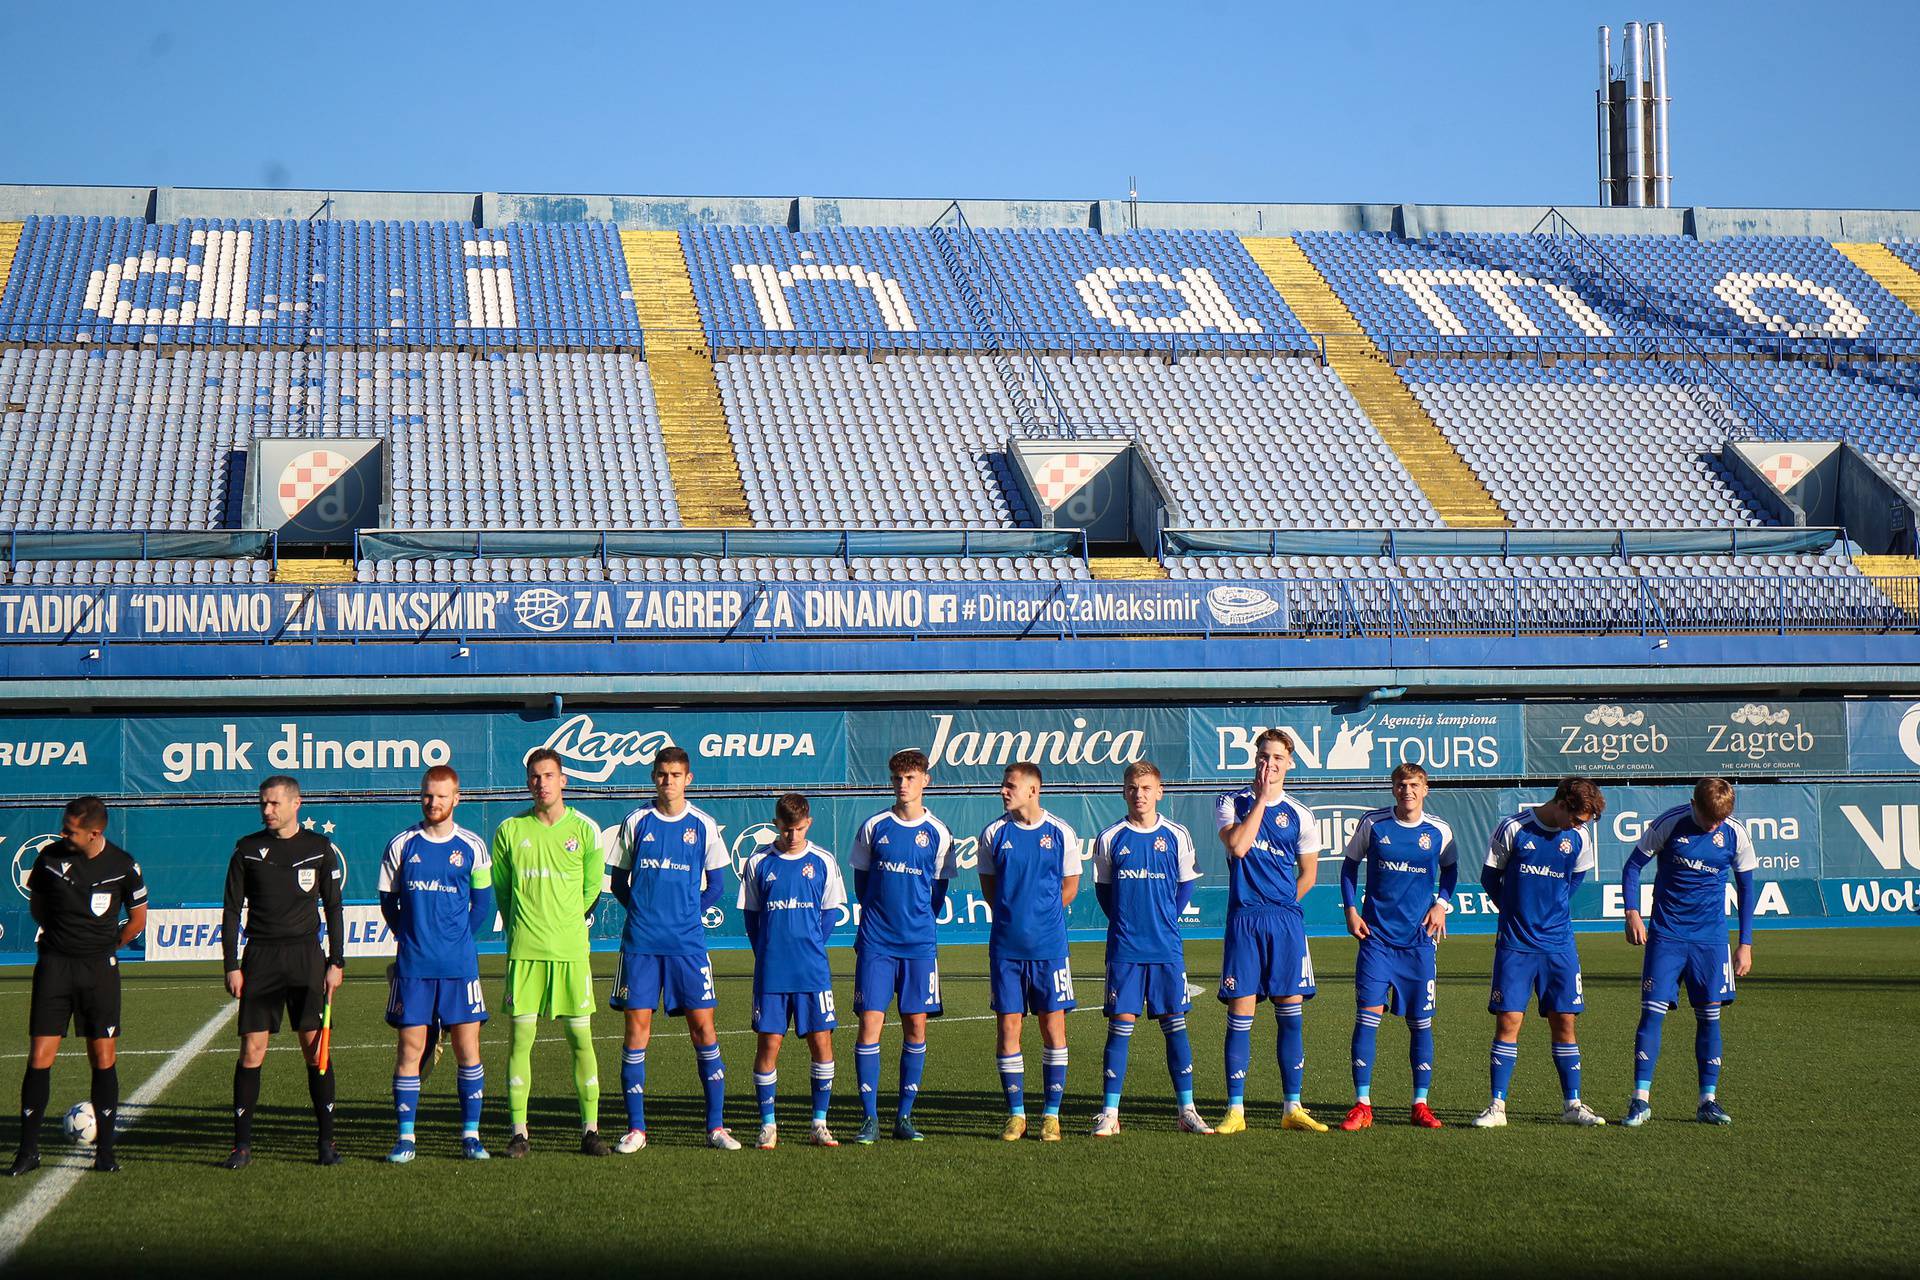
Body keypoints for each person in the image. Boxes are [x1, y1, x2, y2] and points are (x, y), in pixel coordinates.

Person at [604, 746, 740, 1152]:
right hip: (641, 946)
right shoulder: (636, 821)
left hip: (687, 947)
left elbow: (716, 885)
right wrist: (644, 912)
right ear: (653, 777)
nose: (669, 781)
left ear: (688, 779)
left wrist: (687, 915)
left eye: (676, 774)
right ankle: (637, 1129)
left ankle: (716, 1127)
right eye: (662, 774)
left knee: (704, 1029)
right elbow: (617, 884)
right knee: (636, 1032)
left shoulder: (703, 825)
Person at [8, 797, 146, 1176]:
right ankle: (28, 1150)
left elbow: (137, 919)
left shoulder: (123, 866)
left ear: (94, 833)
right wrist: (61, 938)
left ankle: (104, 1152)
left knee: (102, 1058)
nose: (64, 834)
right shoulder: (49, 858)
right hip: (54, 968)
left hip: (99, 972)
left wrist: (105, 946)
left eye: (71, 830)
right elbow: (37, 905)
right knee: (40, 1057)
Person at [221, 775, 345, 1169]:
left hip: (306, 959)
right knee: (252, 1050)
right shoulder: (247, 849)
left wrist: (336, 961)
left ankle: (326, 1143)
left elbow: (334, 908)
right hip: (261, 959)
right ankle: (241, 1145)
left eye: (274, 803)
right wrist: (231, 964)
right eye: (263, 803)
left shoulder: (318, 848)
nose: (266, 810)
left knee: (315, 1052)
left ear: (296, 804)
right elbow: (230, 910)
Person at [491, 748, 609, 1157]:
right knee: (520, 1041)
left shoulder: (587, 830)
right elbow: (503, 893)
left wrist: (564, 924)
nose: (541, 783)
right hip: (525, 953)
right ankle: (519, 1132)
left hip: (571, 953)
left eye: (548, 775)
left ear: (563, 780)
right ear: (528, 783)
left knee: (581, 1041)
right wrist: (523, 927)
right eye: (534, 777)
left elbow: (591, 889)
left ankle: (590, 1130)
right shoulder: (509, 830)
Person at [1620, 777, 1757, 1127]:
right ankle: (1640, 1101)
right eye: (1708, 819)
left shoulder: (1735, 834)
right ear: (1693, 804)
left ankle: (1707, 1101)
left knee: (1710, 1018)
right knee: (1652, 1015)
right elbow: (1633, 865)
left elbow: (1746, 889)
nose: (1713, 826)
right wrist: (1633, 912)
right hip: (1667, 936)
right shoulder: (1670, 822)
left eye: (1719, 821)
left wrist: (1745, 944)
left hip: (1710, 942)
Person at [1473, 777, 1609, 1128]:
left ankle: (1573, 1105)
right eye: (1578, 818)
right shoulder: (1514, 827)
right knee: (1509, 1021)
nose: (1580, 826)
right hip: (1516, 944)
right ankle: (1497, 1107)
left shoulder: (1578, 837)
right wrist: (1514, 912)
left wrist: (1551, 911)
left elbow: (1573, 881)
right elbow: (1490, 878)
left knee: (1564, 1021)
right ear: (1562, 803)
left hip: (1559, 945)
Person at [378, 765, 494, 1163]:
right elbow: (388, 903)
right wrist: (407, 936)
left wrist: (458, 939)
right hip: (413, 968)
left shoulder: (473, 846)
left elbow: (483, 905)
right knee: (410, 1049)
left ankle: (471, 1135)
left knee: (468, 1049)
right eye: (428, 795)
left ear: (456, 799)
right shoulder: (402, 845)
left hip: (460, 968)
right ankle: (406, 1138)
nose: (433, 802)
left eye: (442, 796)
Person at [1088, 761, 1209, 1138]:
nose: (1138, 794)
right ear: (1123, 791)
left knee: (1175, 1026)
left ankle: (1186, 1109)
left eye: (1146, 787)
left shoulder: (1177, 835)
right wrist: (1129, 921)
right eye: (1132, 787)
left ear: (1160, 791)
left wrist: (1163, 919)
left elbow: (1185, 886)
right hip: (1125, 950)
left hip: (1166, 950)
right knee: (1120, 1027)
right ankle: (1110, 1112)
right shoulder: (1110, 837)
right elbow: (1105, 893)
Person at [1214, 729, 1324, 1134]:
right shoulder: (1231, 801)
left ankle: (1292, 1107)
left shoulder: (1301, 815)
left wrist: (1282, 904)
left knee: (1290, 1015)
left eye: (1277, 757)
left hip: (1284, 922)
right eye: (1263, 757)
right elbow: (1239, 847)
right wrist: (1260, 799)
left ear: (1290, 762)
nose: (1269, 764)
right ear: (1255, 759)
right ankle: (1235, 1110)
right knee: (1241, 1014)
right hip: (1244, 919)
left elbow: (1309, 873)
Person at [1337, 764, 1457, 1131]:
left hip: (1419, 943)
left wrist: (1442, 904)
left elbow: (1451, 870)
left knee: (1421, 1023)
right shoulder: (1374, 824)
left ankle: (1420, 1104)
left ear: (1426, 789)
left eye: (1414, 785)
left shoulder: (1439, 831)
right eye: (1401, 784)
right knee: (1367, 1019)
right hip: (1376, 940)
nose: (1407, 790)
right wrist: (1351, 910)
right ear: (1393, 789)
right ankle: (1362, 1104)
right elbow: (1348, 867)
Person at [849, 749, 957, 1145]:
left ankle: (905, 1116)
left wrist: (916, 921)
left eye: (910, 778)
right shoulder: (874, 826)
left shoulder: (940, 833)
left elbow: (939, 889)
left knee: (915, 1025)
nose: (903, 785)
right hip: (877, 942)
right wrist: (882, 917)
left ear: (925, 780)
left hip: (919, 945)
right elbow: (862, 885)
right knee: (870, 1025)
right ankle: (870, 1118)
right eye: (897, 779)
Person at [978, 761, 1080, 1142]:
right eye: (1003, 786)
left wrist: (1045, 917)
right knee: (1008, 1026)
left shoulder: (1061, 833)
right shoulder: (994, 833)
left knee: (1053, 1026)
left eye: (1010, 786)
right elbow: (990, 888)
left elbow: (1070, 886)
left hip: (1050, 949)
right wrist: (1011, 915)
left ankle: (1051, 1115)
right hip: (1006, 948)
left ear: (1033, 790)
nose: (1003, 791)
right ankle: (1016, 1114)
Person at [739, 793, 847, 1150]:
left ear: (808, 824)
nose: (792, 836)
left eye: (799, 829)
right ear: (776, 825)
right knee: (769, 1044)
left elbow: (830, 913)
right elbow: (752, 918)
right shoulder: (758, 862)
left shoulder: (823, 861)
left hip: (812, 971)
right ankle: (768, 1125)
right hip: (771, 972)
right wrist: (767, 952)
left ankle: (819, 1123)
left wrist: (811, 943)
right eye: (786, 830)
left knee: (821, 1043)